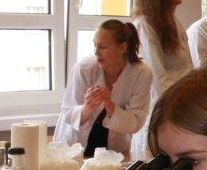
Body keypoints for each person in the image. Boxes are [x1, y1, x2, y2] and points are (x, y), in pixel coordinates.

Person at [54, 19, 153, 158]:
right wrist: (87, 108)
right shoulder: (84, 69)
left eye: (103, 47)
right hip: (73, 147)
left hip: (114, 150)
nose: (96, 52)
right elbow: (67, 112)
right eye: (95, 45)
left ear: (122, 48)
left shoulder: (141, 74)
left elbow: (135, 123)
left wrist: (110, 106)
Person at [130, 0, 191, 160]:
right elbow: (156, 79)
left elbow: (189, 69)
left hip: (179, 109)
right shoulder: (144, 26)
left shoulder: (174, 22)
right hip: (159, 112)